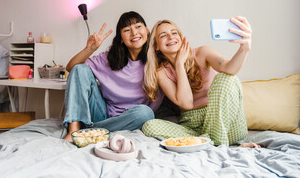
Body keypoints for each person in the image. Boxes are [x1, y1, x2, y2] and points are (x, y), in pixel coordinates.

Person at [141, 17, 260, 147]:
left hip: (225, 124)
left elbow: (229, 68)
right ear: (156, 46)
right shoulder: (161, 72)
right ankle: (210, 142)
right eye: (163, 35)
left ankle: (212, 144)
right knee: (149, 126)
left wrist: (244, 49)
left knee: (226, 78)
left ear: (180, 38)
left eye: (174, 33)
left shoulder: (202, 52)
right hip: (193, 127)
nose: (170, 37)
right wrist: (179, 64)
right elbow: (186, 103)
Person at [62, 11, 162, 142]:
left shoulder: (158, 61)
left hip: (133, 118)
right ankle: (74, 131)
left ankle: (91, 131)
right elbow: (72, 68)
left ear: (147, 31)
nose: (134, 32)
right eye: (127, 29)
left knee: (146, 113)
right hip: (102, 114)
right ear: (120, 37)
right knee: (80, 68)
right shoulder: (108, 58)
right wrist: (90, 49)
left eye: (138, 26)